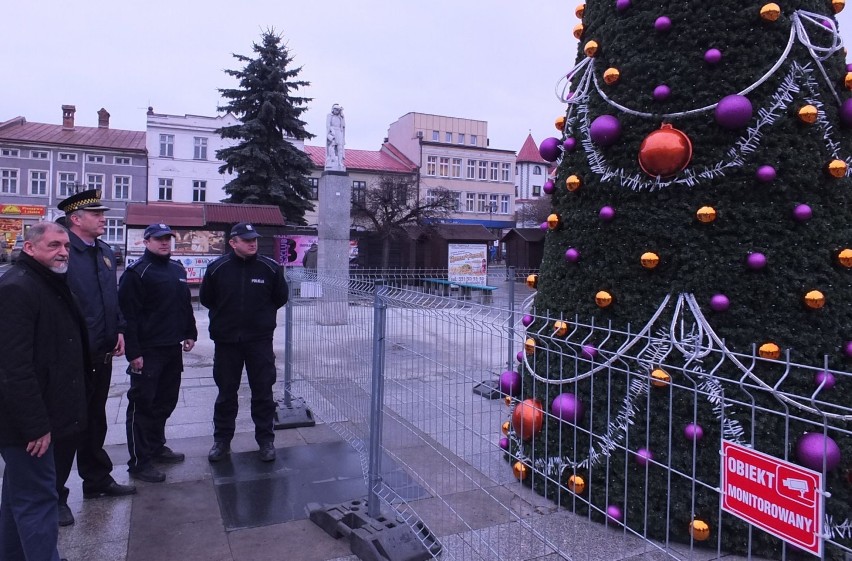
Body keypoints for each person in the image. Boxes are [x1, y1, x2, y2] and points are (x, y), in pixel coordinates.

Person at [0, 222, 88, 561]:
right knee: (38, 500)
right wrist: (35, 425)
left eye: (65, 245)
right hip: (26, 425)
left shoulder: (47, 283)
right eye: (53, 245)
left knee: (18, 497)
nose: (63, 252)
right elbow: (12, 366)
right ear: (30, 248)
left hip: (37, 417)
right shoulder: (18, 289)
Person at [54, 189, 135, 527]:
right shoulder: (61, 252)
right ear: (76, 219)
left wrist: (117, 328)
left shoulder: (104, 251)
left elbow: (109, 297)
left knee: (94, 420)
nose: (104, 219)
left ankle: (96, 479)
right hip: (70, 355)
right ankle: (55, 495)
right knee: (65, 426)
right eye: (97, 214)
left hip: (101, 352)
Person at [200, 223, 288, 463]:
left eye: (255, 239)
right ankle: (222, 441)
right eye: (247, 239)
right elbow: (207, 299)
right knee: (226, 393)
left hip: (259, 342)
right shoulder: (217, 268)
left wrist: (260, 319)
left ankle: (266, 441)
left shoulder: (269, 268)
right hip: (227, 342)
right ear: (233, 242)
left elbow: (280, 297)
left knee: (263, 392)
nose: (253, 243)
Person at [118, 224, 197, 483]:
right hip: (148, 350)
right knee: (143, 405)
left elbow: (184, 304)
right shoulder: (137, 273)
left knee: (165, 401)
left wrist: (190, 332)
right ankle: (140, 462)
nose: (164, 243)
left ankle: (156, 446)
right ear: (146, 241)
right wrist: (134, 352)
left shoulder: (177, 269)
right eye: (159, 239)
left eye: (168, 239)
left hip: (171, 347)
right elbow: (127, 315)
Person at [325, 104, 346, 170]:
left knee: (340, 148)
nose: (337, 111)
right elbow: (328, 125)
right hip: (332, 132)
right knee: (332, 146)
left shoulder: (340, 117)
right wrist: (331, 131)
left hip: (339, 132)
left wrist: (342, 117)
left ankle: (340, 162)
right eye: (335, 109)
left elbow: (343, 126)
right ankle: (331, 160)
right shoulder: (329, 115)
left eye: (338, 109)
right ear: (333, 109)